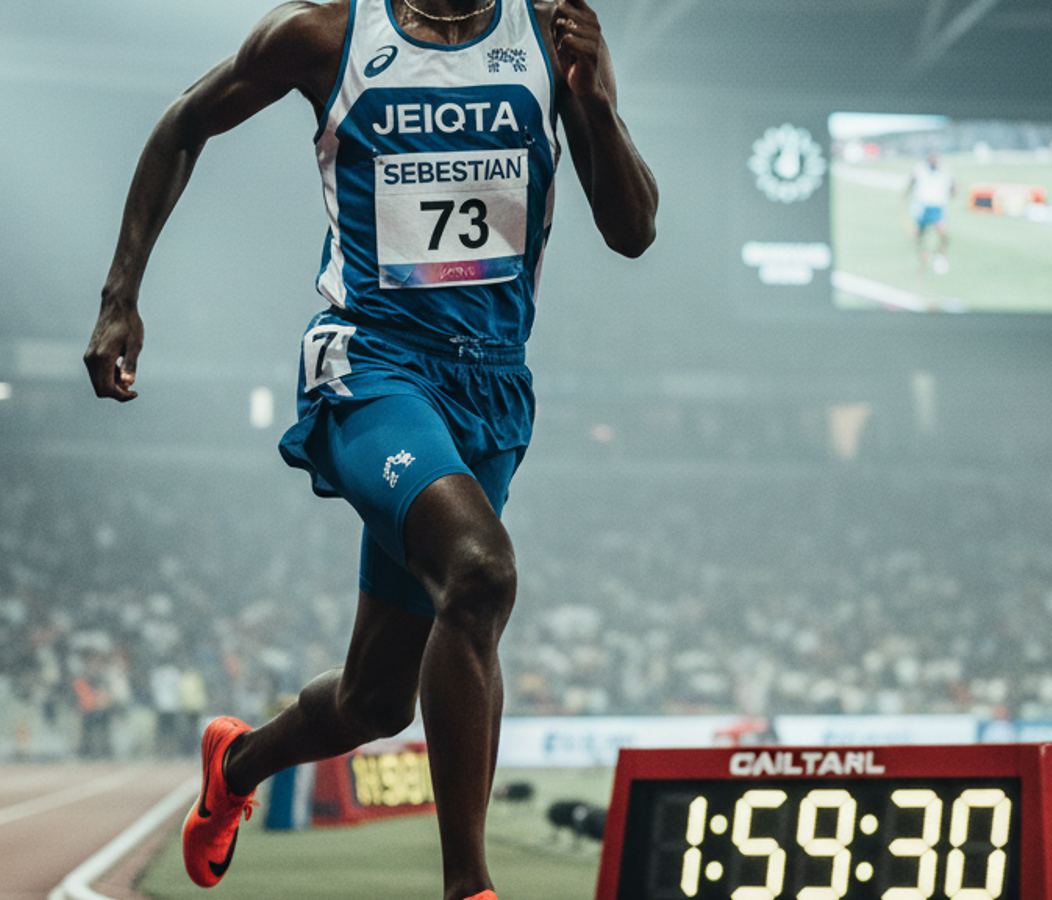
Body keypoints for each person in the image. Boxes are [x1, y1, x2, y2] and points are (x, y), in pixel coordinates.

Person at [82, 1, 657, 897]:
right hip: (373, 366)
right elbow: (182, 124)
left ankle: (234, 767)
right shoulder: (325, 35)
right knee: (481, 573)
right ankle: (470, 885)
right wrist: (121, 293)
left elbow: (633, 230)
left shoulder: (554, 32)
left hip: (492, 387)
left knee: (375, 701)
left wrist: (593, 105)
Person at [906, 151, 954, 273]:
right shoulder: (920, 169)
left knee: (943, 234)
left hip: (936, 207)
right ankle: (923, 256)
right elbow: (911, 182)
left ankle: (940, 256)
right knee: (919, 235)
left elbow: (952, 187)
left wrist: (951, 193)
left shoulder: (944, 170)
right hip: (922, 206)